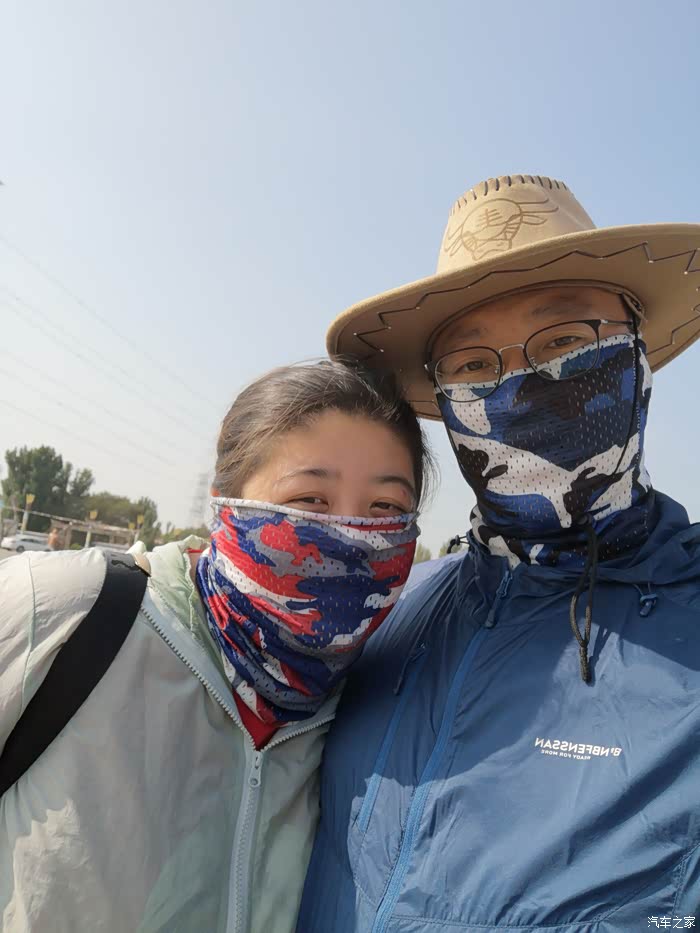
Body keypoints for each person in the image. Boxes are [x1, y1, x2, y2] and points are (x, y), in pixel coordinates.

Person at [298, 174, 700, 930]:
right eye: (473, 366)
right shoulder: (393, 614)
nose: (518, 386)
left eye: (565, 342)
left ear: (637, 358)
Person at [0, 360, 432, 933]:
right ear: (224, 503)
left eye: (386, 509)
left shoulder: (368, 708)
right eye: (309, 499)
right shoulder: (64, 611)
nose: (350, 536)